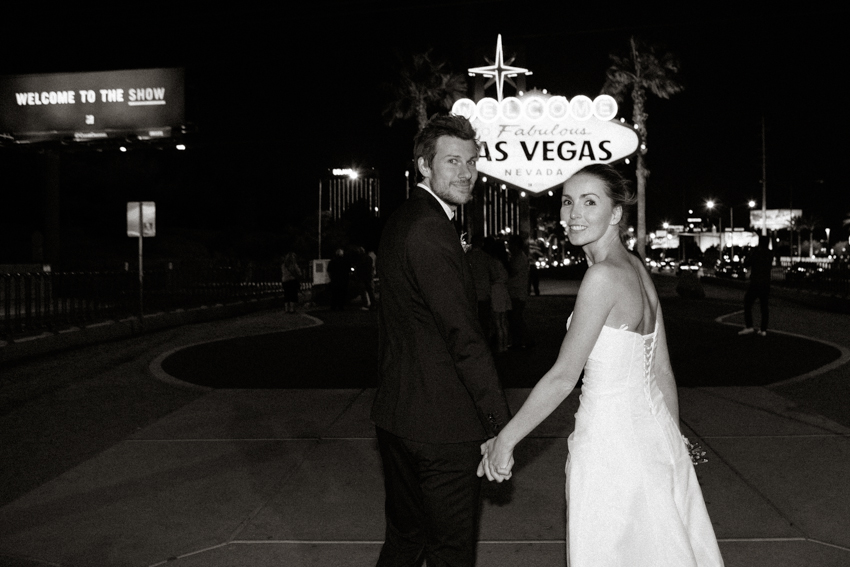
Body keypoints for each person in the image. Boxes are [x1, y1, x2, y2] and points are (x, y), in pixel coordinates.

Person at [478, 164, 724, 567]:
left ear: (615, 214)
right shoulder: (637, 271)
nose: (573, 213)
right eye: (568, 201)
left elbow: (562, 378)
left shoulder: (603, 278)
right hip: (653, 437)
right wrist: (671, 445)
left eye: (590, 202)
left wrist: (505, 441)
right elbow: (661, 371)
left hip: (610, 448)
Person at [371, 114, 511, 567]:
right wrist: (498, 422)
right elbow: (463, 336)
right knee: (450, 552)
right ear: (424, 167)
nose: (467, 172)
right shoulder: (432, 229)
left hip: (398, 415)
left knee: (407, 540)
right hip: (442, 427)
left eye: (471, 161)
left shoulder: (403, 220)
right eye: (453, 161)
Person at [738, 235, 773, 336]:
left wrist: (749, 253)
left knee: (747, 303)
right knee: (764, 307)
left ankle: (749, 326)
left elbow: (747, 263)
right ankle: (763, 330)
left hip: (756, 283)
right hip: (766, 283)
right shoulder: (770, 254)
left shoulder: (756, 253)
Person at [484, 237, 512, 353]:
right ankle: (505, 345)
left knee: (497, 322)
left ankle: (500, 346)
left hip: (496, 291)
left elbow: (493, 277)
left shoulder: (493, 262)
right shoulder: (504, 262)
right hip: (503, 291)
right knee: (503, 321)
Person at [466, 234, 493, 341]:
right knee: (484, 321)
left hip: (471, 293)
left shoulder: (467, 257)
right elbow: (493, 274)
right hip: (484, 293)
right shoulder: (486, 257)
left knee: (472, 320)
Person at [507, 234, 530, 349]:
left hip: (517, 292)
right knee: (516, 318)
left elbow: (512, 272)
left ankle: (522, 341)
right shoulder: (519, 257)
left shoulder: (519, 258)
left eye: (511, 244)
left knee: (516, 318)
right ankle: (522, 341)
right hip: (517, 292)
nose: (509, 247)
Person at [354, 246, 376, 310]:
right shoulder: (368, 258)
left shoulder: (358, 258)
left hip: (361, 277)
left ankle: (366, 304)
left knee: (363, 292)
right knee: (370, 291)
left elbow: (358, 268)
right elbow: (371, 267)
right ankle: (373, 304)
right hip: (368, 276)